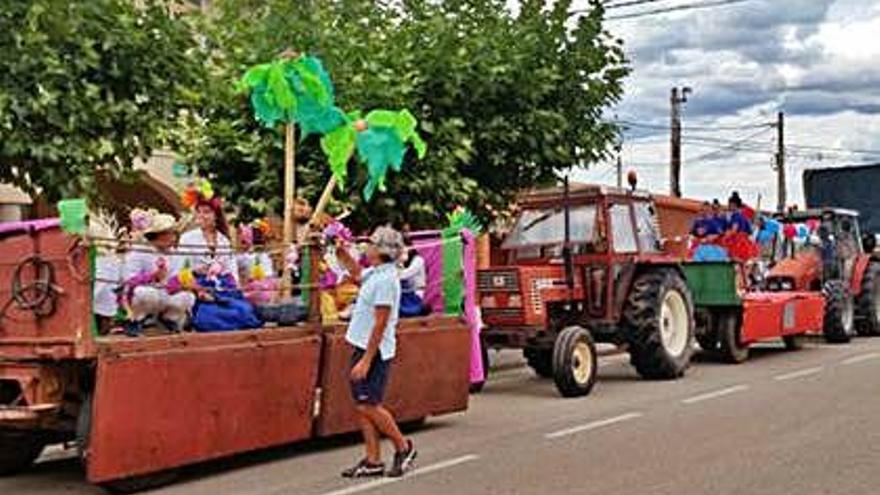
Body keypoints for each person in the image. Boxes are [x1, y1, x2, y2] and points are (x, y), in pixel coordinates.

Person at [336, 226, 417, 479]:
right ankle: (373, 460)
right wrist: (341, 252)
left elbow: (380, 323)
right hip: (362, 345)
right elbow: (358, 273)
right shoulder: (377, 273)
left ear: (381, 250)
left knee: (369, 405)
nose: (366, 246)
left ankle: (403, 447)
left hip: (375, 351)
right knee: (362, 405)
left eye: (371, 243)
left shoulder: (385, 281)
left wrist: (367, 361)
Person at [178, 183, 261, 331]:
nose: (202, 216)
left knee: (245, 311)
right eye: (199, 212)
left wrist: (234, 287)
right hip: (199, 286)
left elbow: (231, 269)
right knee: (208, 318)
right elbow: (182, 269)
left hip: (223, 286)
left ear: (216, 215)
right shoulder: (187, 238)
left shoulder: (224, 240)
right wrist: (197, 288)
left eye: (207, 212)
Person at [121, 210, 196, 336]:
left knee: (188, 297)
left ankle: (169, 319)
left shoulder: (178, 254)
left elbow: (176, 279)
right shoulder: (139, 252)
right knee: (144, 293)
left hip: (166, 294)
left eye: (173, 232)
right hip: (145, 295)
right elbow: (128, 280)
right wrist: (152, 276)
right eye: (168, 233)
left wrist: (182, 282)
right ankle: (136, 320)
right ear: (157, 235)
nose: (173, 237)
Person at [399, 238, 428, 317]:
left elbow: (405, 275)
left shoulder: (418, 260)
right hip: (403, 294)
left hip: (416, 294)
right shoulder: (400, 262)